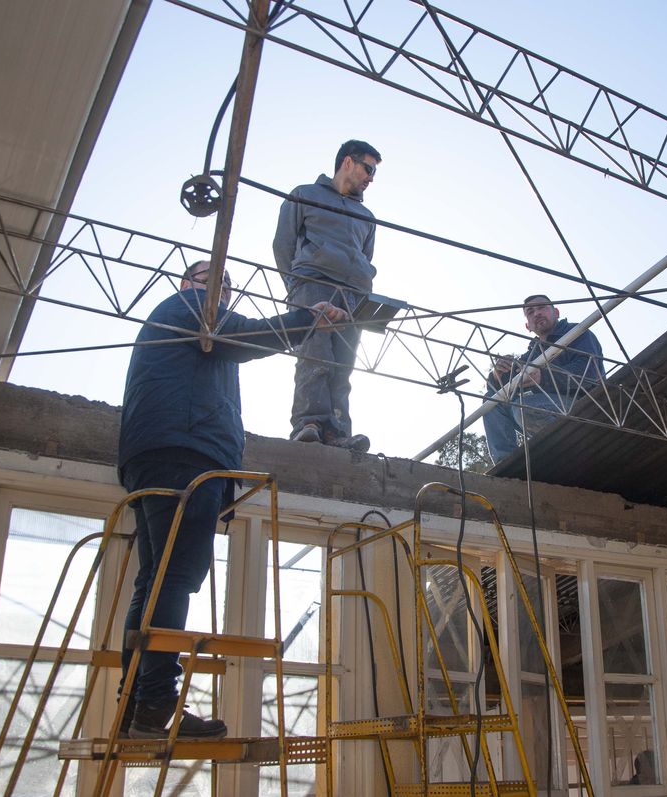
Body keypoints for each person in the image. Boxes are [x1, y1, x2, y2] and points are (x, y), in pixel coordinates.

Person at [117, 260, 347, 739]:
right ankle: (155, 704)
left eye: (226, 285)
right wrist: (307, 319)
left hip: (160, 451)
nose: (220, 290)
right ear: (188, 284)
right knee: (174, 576)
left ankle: (135, 705)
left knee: (154, 579)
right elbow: (245, 336)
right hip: (185, 451)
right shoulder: (190, 306)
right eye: (212, 280)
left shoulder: (187, 328)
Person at [273, 139, 381, 452]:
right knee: (315, 354)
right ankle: (308, 423)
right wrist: (296, 286)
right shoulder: (305, 194)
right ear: (347, 162)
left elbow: (365, 257)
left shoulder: (367, 216)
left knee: (343, 366)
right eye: (368, 169)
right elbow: (282, 244)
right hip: (313, 283)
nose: (371, 178)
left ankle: (337, 432)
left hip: (353, 296)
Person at [483, 295, 605, 463]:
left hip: (587, 406)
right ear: (528, 326)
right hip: (551, 408)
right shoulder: (532, 355)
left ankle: (566, 450)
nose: (536, 313)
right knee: (492, 401)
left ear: (556, 312)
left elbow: (589, 373)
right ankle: (505, 463)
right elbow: (498, 389)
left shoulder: (578, 333)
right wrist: (497, 374)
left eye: (541, 307)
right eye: (530, 312)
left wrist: (543, 377)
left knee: (523, 408)